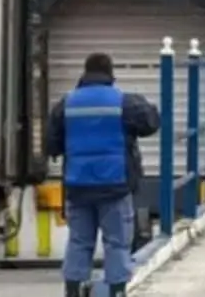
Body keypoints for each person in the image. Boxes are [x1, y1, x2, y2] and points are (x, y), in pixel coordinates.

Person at [46, 53, 161, 297]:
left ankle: (74, 289)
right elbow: (151, 122)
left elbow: (51, 144)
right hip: (114, 186)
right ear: (110, 74)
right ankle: (117, 291)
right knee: (117, 242)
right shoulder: (124, 102)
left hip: (78, 187)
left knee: (79, 242)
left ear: (84, 73)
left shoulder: (66, 104)